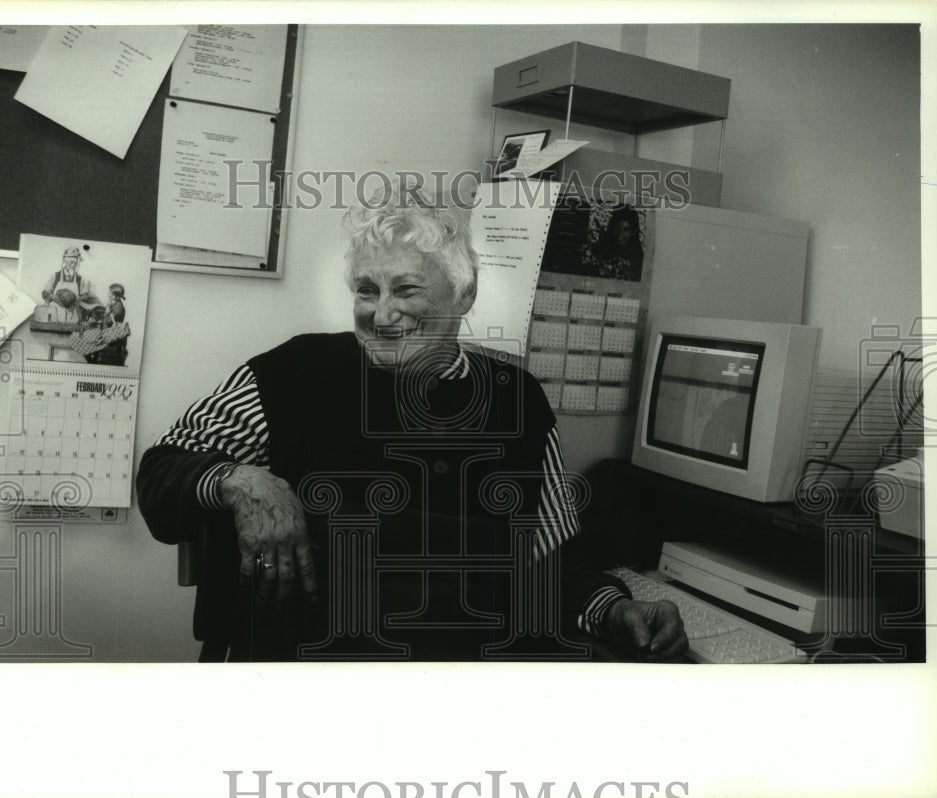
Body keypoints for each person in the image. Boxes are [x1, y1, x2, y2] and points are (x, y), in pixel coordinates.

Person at [137, 189, 687, 662]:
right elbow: (163, 471)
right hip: (302, 671)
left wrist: (612, 608)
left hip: (450, 677)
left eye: (405, 290)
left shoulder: (517, 401)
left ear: (464, 294)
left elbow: (549, 557)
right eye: (366, 290)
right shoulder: (291, 373)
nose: (380, 314)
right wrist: (239, 479)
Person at [40, 246, 99, 325]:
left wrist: (75, 299)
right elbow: (44, 293)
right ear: (65, 262)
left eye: (75, 263)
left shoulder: (79, 279)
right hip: (56, 314)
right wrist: (54, 298)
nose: (73, 265)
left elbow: (85, 296)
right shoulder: (55, 276)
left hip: (73, 316)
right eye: (71, 262)